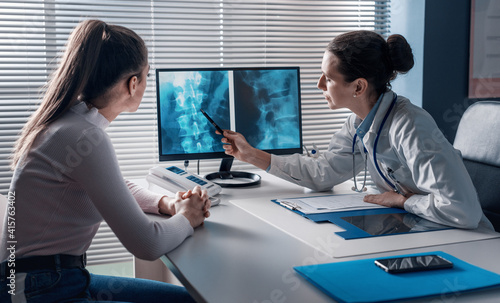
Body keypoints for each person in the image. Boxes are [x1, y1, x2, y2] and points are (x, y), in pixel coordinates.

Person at [0, 19, 210, 302]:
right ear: (133, 84)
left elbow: (111, 185)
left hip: (47, 278)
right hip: (40, 288)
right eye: (147, 76)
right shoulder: (83, 136)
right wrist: (188, 217)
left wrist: (169, 204)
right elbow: (147, 243)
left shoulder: (70, 123)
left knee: (187, 299)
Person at [220, 30, 493, 230]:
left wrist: (402, 201)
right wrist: (252, 155)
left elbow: (462, 212)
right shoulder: (359, 122)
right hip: (421, 231)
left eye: (328, 78)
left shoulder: (410, 126)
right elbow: (323, 173)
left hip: (469, 243)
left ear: (358, 87)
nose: (319, 85)